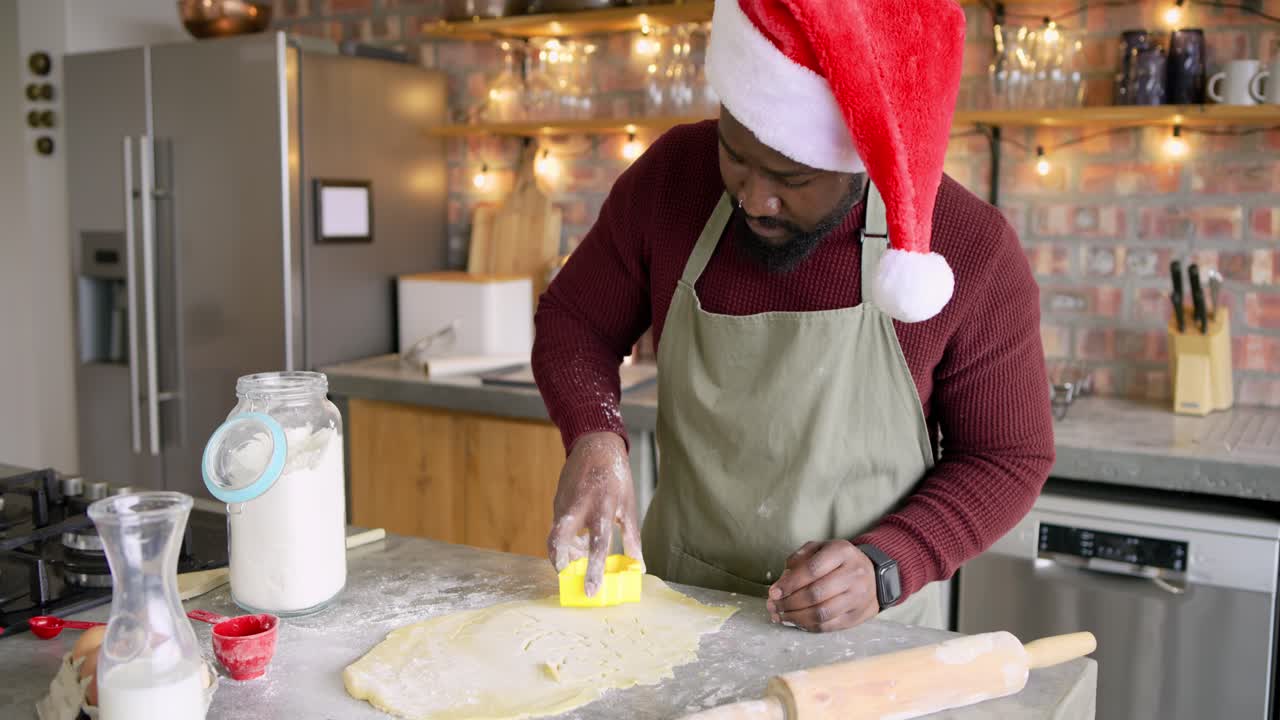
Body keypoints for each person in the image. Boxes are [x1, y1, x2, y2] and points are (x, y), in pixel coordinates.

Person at [532, 0, 1054, 633]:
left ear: (861, 156)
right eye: (735, 156)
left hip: (868, 639)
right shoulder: (672, 178)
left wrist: (887, 563)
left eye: (790, 176)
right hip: (679, 610)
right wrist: (593, 435)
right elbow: (573, 323)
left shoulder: (969, 246)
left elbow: (1008, 456)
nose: (754, 198)